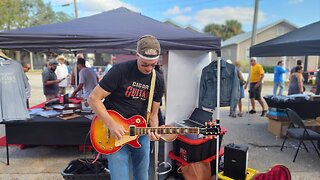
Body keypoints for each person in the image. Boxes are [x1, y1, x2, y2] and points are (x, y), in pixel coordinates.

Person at [88, 35, 164, 180]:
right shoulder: (120, 71)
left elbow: (153, 115)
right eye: (144, 64)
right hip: (114, 133)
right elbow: (93, 98)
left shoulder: (158, 80)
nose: (149, 69)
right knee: (119, 177)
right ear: (137, 56)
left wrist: (154, 131)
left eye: (153, 65)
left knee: (142, 176)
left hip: (141, 134)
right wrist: (111, 124)